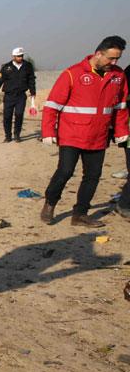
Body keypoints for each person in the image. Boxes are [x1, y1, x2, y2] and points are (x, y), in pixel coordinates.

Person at [40, 36, 128, 228]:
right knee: (65, 172)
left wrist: (122, 130)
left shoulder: (118, 76)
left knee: (93, 176)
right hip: (72, 134)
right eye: (110, 58)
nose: (113, 63)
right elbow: (52, 106)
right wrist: (48, 131)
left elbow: (120, 107)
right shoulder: (73, 74)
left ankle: (80, 214)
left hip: (99, 136)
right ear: (98, 53)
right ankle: (50, 203)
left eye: (117, 59)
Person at [0, 47, 37, 143]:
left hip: (21, 96)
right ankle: (8, 136)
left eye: (21, 56)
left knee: (19, 114)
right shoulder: (6, 67)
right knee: (7, 116)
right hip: (9, 96)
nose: (20, 58)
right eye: (18, 56)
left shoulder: (27, 66)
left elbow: (31, 80)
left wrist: (33, 92)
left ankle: (17, 135)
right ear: (13, 56)